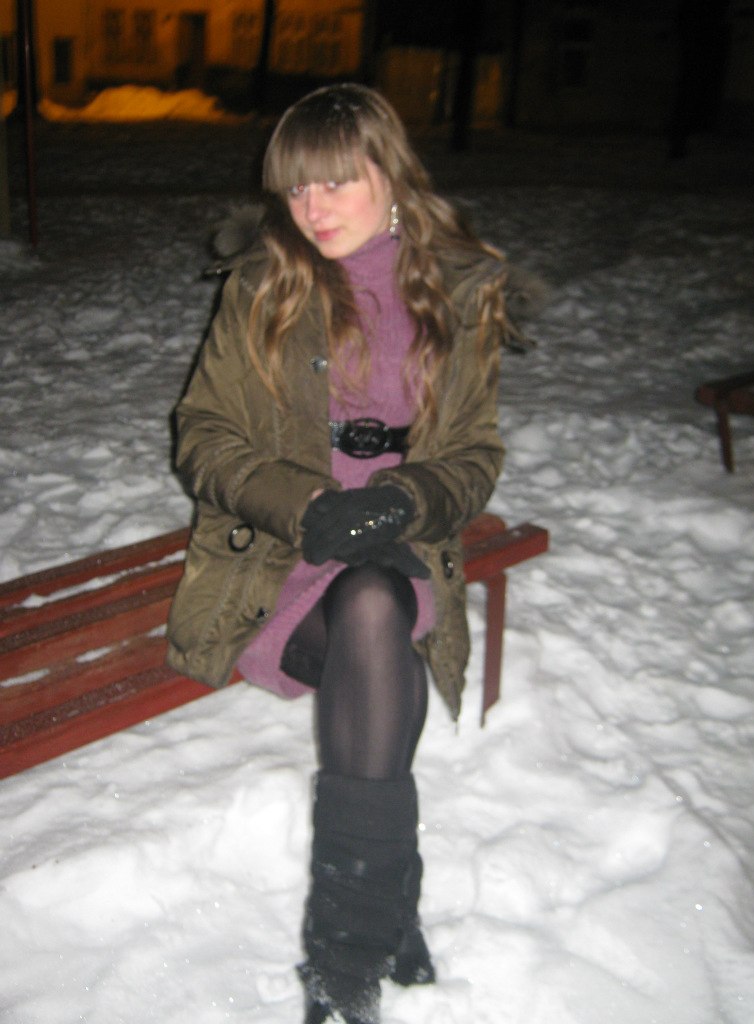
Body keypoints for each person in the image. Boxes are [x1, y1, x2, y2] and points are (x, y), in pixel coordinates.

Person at [166, 83, 528, 1024]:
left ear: (390, 174)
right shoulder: (264, 284)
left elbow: (473, 454)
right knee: (378, 644)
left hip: (397, 541)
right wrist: (307, 504)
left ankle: (344, 961)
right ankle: (377, 921)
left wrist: (404, 498)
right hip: (278, 552)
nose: (313, 209)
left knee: (374, 603)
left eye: (335, 182)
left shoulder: (459, 289)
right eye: (296, 188)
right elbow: (203, 436)